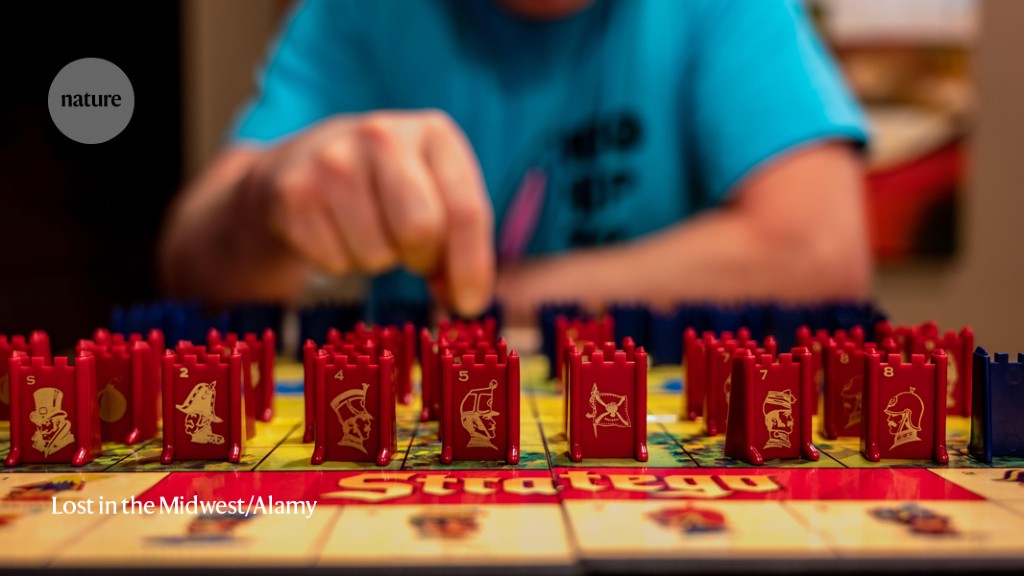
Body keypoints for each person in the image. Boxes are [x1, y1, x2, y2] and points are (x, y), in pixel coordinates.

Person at [159, 0, 872, 324]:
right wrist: (265, 202)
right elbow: (193, 271)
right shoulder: (354, 13)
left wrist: (505, 298)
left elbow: (821, 251)